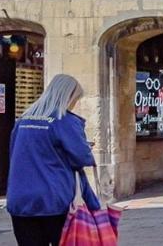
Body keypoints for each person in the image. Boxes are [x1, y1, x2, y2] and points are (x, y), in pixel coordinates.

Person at [6, 74, 96, 246]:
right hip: (54, 199)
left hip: (21, 200)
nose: (74, 104)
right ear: (68, 96)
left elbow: (15, 154)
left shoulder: (22, 121)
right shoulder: (64, 120)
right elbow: (82, 157)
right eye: (75, 100)